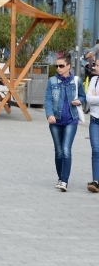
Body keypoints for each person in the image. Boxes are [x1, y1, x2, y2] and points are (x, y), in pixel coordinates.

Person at [45, 54, 85, 192]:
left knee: (66, 150)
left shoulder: (76, 81)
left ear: (68, 66)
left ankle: (64, 180)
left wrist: (79, 100)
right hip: (55, 120)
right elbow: (48, 99)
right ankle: (60, 177)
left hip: (71, 120)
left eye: (61, 66)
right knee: (59, 151)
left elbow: (82, 96)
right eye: (56, 66)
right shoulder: (52, 81)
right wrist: (49, 114)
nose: (58, 68)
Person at [86, 63, 99, 192]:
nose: (95, 67)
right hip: (95, 120)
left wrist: (95, 97)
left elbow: (93, 98)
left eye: (98, 65)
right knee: (96, 150)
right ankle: (96, 181)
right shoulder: (94, 80)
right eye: (96, 65)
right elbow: (88, 98)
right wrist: (93, 97)